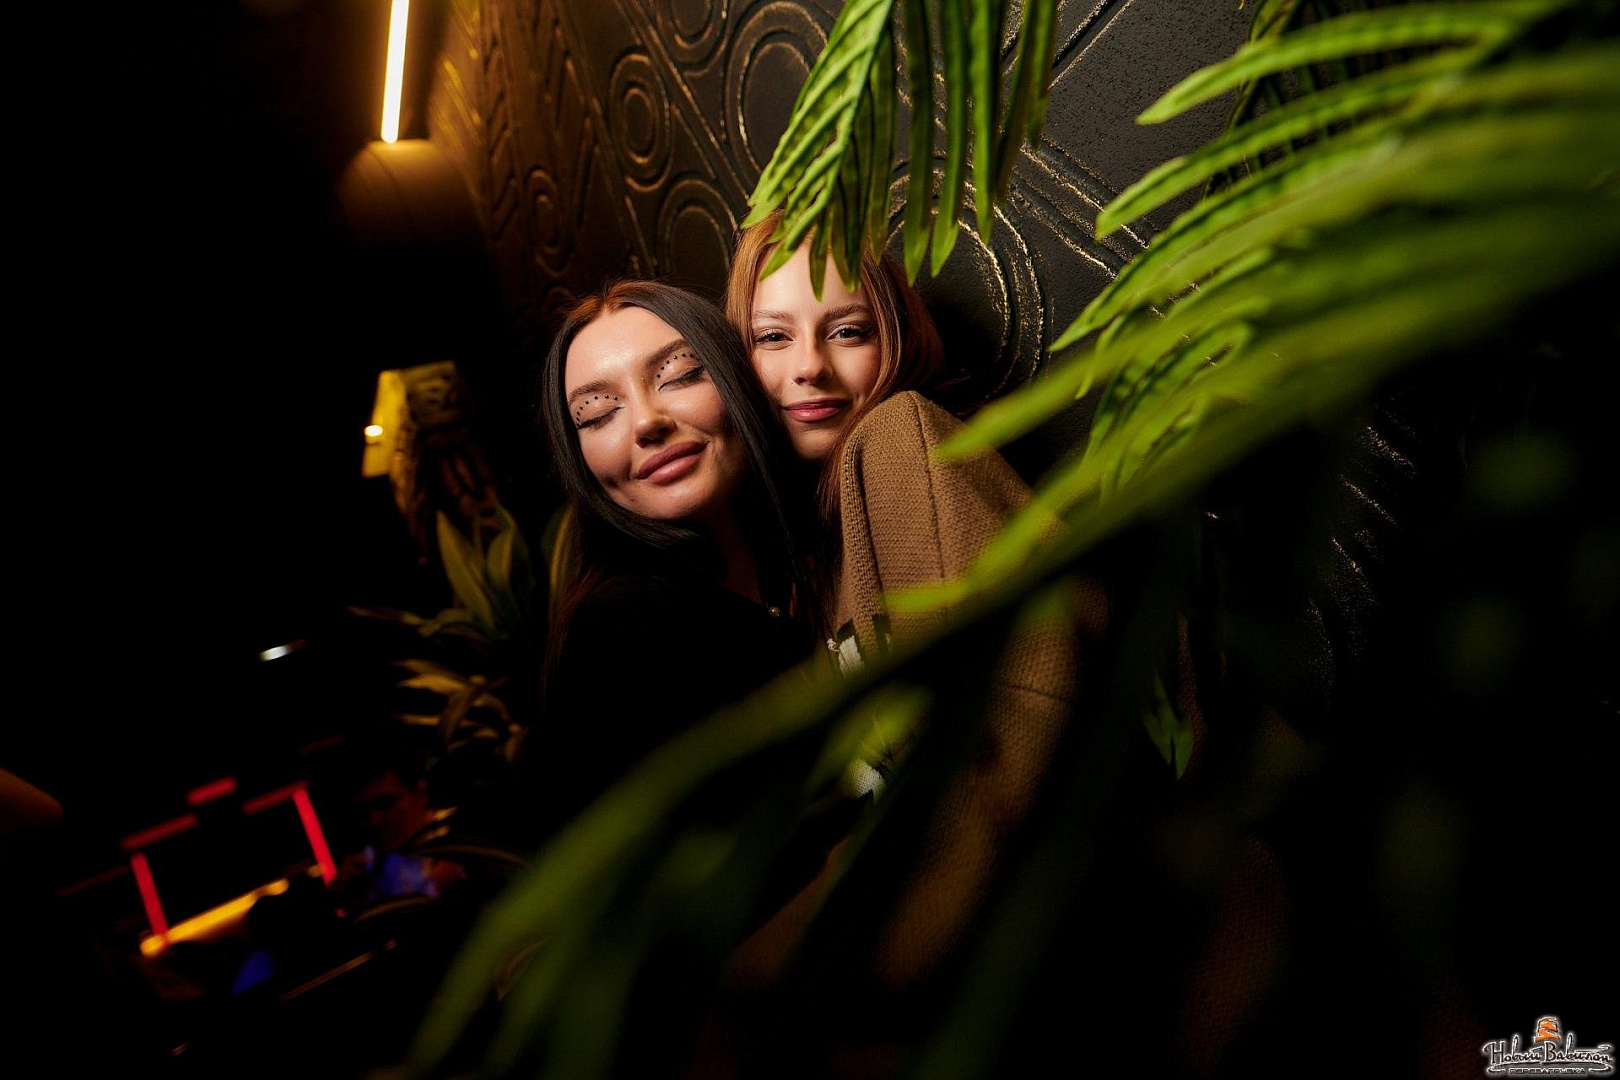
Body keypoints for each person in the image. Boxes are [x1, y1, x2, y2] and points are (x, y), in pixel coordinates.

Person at [725, 213, 1102, 990]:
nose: (809, 366)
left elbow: (1002, 758)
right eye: (772, 337)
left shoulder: (897, 439)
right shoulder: (814, 556)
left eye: (847, 331)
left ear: (894, 339)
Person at [528, 280, 823, 838]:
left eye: (680, 374)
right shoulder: (623, 631)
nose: (646, 422)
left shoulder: (815, 556)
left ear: (738, 378)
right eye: (597, 413)